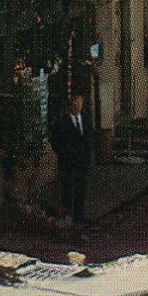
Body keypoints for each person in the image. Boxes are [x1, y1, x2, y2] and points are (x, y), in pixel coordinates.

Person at [51, 93, 92, 226]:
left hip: (81, 163)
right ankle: (67, 217)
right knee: (67, 190)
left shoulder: (85, 119)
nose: (78, 106)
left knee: (81, 190)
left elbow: (89, 138)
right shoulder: (62, 122)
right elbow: (55, 141)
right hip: (68, 162)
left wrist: (87, 156)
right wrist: (64, 154)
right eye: (75, 104)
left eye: (79, 104)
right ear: (70, 106)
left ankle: (79, 217)